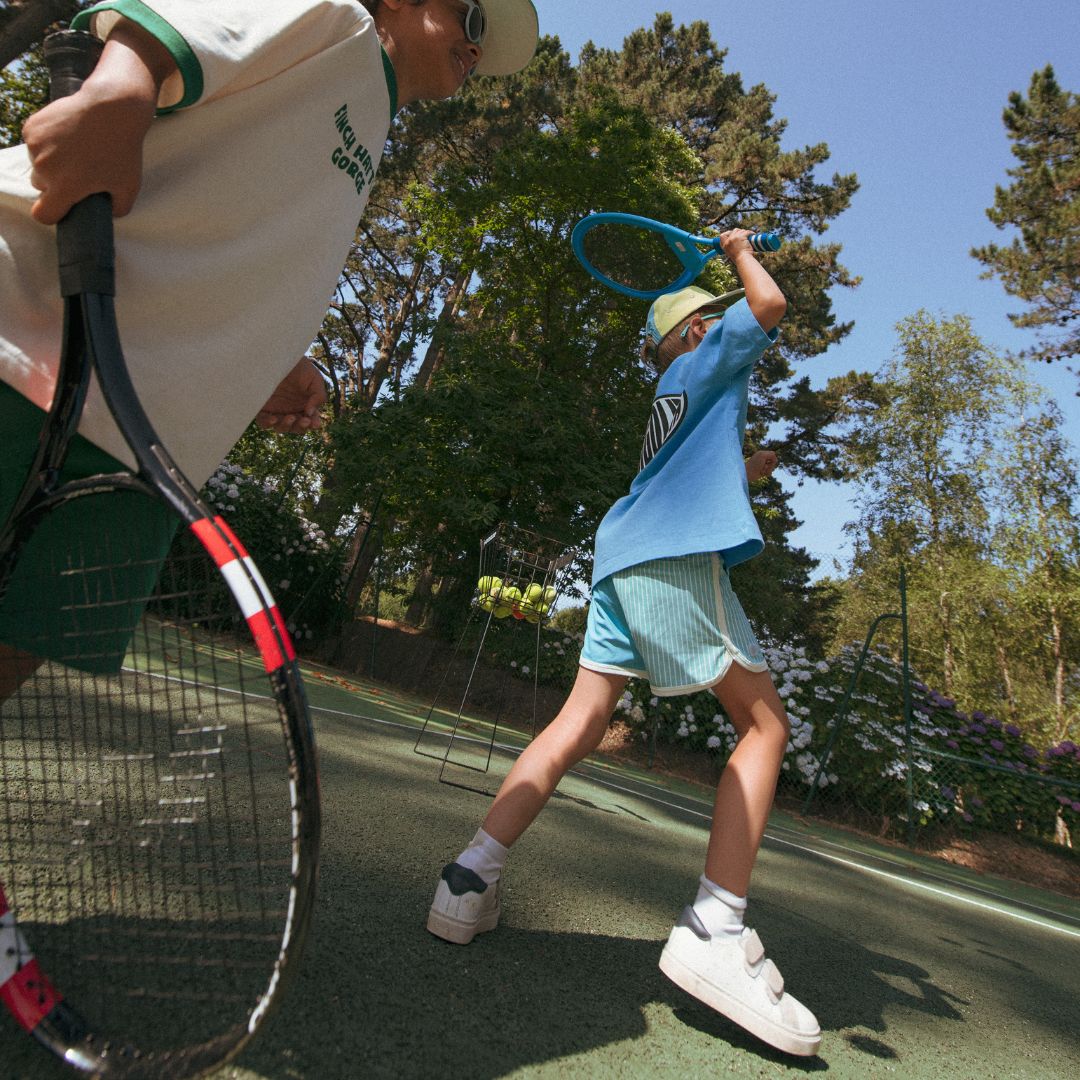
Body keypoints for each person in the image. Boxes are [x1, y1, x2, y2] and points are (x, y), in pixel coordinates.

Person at [0, 1, 539, 695]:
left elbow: (235, 233)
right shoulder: (337, 18)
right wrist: (118, 90)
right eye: (473, 19)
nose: (476, 48)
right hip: (29, 342)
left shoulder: (371, 117)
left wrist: (263, 361)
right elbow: (169, 24)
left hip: (140, 447)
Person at [426, 231, 822, 1058]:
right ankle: (716, 925)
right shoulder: (708, 359)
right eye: (710, 320)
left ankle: (469, 876)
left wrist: (748, 469)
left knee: (578, 723)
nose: (721, 326)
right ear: (693, 333)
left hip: (623, 552)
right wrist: (740, 248)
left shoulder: (676, 390)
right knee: (765, 727)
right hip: (673, 555)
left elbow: (693, 470)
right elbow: (770, 303)